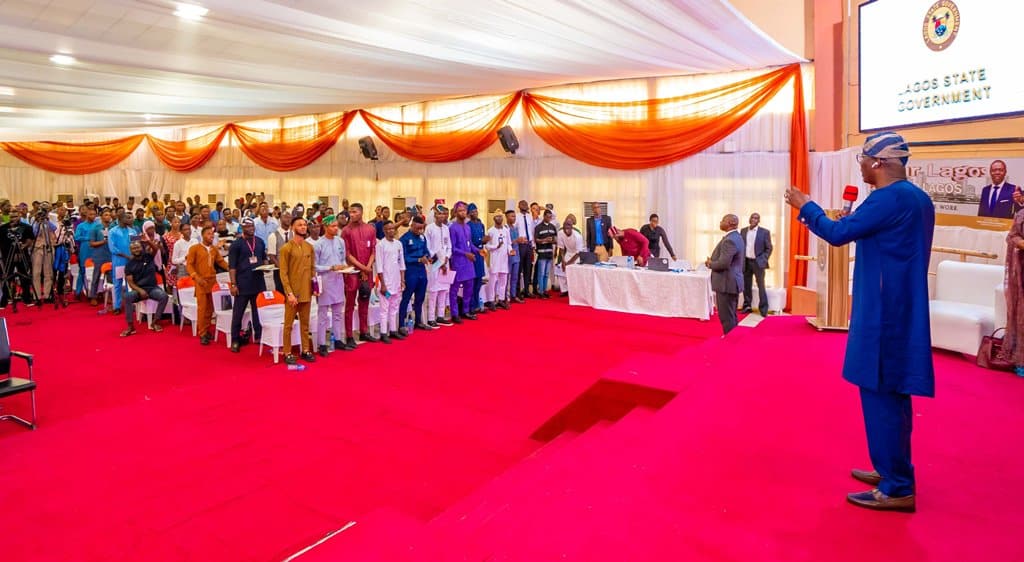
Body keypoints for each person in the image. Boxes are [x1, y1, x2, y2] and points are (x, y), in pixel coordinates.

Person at [785, 130, 934, 512]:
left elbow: (837, 234)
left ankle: (897, 486)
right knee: (894, 395)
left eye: (863, 161)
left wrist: (806, 205)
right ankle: (892, 470)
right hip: (900, 307)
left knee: (880, 393)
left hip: (883, 312)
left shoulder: (887, 198)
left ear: (878, 163)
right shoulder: (917, 198)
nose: (862, 168)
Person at [342, 203, 379, 347]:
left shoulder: (370, 229)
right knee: (350, 305)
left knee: (365, 301)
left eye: (354, 212)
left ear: (361, 212)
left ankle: (364, 331)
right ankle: (349, 335)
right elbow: (347, 254)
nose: (351, 215)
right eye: (350, 212)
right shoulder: (346, 231)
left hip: (367, 271)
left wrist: (367, 268)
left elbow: (373, 250)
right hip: (352, 272)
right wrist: (363, 268)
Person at [228, 218, 267, 353]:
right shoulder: (236, 245)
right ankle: (235, 339)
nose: (251, 228)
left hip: (258, 282)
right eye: (247, 226)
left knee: (258, 312)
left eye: (252, 226)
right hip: (242, 283)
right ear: (242, 228)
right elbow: (232, 267)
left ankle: (259, 336)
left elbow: (264, 258)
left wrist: (267, 266)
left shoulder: (260, 241)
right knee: (238, 313)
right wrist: (233, 284)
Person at [279, 218, 316, 364]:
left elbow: (312, 269)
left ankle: (305, 350)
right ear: (293, 227)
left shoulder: (309, 247)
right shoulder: (286, 248)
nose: (303, 227)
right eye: (300, 225)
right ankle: (287, 352)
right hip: (292, 294)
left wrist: (315, 287)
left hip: (307, 291)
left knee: (305, 324)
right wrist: (289, 293)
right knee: (288, 325)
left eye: (305, 225)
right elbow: (283, 274)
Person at [186, 226, 228, 345]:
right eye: (209, 233)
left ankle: (207, 329)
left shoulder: (213, 249)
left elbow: (220, 262)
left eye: (212, 234)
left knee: (210, 308)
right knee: (202, 308)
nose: (211, 236)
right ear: (203, 235)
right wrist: (196, 277)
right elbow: (189, 265)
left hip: (212, 281)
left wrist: (231, 268)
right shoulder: (195, 248)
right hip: (201, 282)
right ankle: (202, 333)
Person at [313, 215, 348, 355]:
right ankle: (322, 344)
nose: (336, 229)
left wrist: (345, 267)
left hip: (338, 280)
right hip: (325, 281)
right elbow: (314, 266)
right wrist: (330, 267)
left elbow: (343, 259)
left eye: (336, 226)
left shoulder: (340, 241)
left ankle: (338, 339)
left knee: (338, 312)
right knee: (322, 315)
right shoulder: (318, 244)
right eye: (333, 226)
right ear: (325, 227)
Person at [706, 214, 744, 335]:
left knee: (726, 316)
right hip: (732, 282)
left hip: (726, 283)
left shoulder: (730, 240)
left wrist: (710, 263)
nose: (720, 222)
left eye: (723, 220)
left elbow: (724, 263)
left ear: (730, 223)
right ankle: (734, 338)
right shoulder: (737, 237)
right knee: (731, 314)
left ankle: (730, 341)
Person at [122, 241, 169, 337]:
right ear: (130, 250)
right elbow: (130, 283)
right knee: (127, 297)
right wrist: (140, 291)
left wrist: (148, 241)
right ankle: (130, 327)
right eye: (133, 248)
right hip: (138, 290)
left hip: (152, 288)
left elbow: (156, 249)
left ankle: (155, 322)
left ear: (142, 248)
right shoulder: (129, 265)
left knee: (164, 296)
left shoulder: (148, 257)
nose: (136, 250)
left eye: (138, 247)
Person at [399, 216, 431, 333]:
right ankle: (401, 324)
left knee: (420, 297)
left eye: (421, 228)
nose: (420, 231)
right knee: (406, 298)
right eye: (417, 228)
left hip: (422, 271)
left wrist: (427, 257)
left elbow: (426, 251)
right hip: (410, 271)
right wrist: (418, 259)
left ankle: (418, 321)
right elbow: (403, 257)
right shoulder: (404, 239)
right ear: (412, 225)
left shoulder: (422, 237)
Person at [375, 222, 406, 343]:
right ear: (384, 231)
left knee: (394, 307)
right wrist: (382, 284)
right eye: (388, 229)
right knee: (384, 309)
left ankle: (393, 330)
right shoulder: (380, 245)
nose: (391, 231)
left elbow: (401, 263)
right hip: (385, 283)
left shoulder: (398, 244)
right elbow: (379, 267)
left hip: (396, 281)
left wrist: (402, 280)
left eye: (393, 228)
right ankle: (383, 333)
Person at [448, 202, 477, 321]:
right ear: (455, 213)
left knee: (469, 287)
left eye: (464, 210)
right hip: (458, 262)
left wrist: (478, 250)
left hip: (468, 262)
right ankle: (455, 313)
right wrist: (466, 254)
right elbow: (453, 248)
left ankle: (465, 311)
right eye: (460, 211)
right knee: (454, 289)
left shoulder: (468, 227)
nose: (463, 213)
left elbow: (470, 244)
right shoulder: (452, 228)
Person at [740, 213, 773, 316]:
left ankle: (763, 309)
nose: (754, 219)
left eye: (756, 218)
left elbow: (769, 248)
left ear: (759, 221)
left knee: (761, 285)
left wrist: (763, 259)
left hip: (758, 263)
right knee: (746, 285)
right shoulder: (743, 231)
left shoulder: (764, 232)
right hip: (746, 262)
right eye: (752, 217)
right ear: (749, 219)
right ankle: (747, 306)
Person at [425, 205, 454, 327]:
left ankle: (440, 316)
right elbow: (427, 246)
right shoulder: (429, 228)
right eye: (439, 214)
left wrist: (447, 257)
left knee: (444, 290)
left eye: (444, 214)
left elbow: (449, 246)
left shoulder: (446, 228)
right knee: (434, 291)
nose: (442, 216)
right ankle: (431, 318)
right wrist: (438, 259)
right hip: (435, 263)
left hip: (445, 263)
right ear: (435, 215)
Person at [0, 208, 34, 308]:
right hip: (8, 256)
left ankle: (27, 298)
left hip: (22, 255)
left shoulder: (27, 227)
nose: (13, 219)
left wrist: (24, 245)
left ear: (19, 216)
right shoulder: (3, 228)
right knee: (7, 277)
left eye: (15, 216)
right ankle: (4, 300)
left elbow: (30, 240)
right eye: (11, 217)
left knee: (24, 277)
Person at [108, 211, 137, 313]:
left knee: (131, 282)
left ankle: (132, 304)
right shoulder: (113, 231)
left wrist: (134, 255)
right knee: (118, 283)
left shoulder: (132, 231)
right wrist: (126, 256)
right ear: (120, 219)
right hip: (119, 261)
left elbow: (136, 244)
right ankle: (117, 306)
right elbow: (112, 248)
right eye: (127, 218)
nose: (130, 219)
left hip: (131, 261)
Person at [486, 210, 511, 310]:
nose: (499, 218)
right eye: (497, 217)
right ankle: (491, 300)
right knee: (493, 281)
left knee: (503, 280)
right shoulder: (490, 231)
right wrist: (496, 246)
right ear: (494, 218)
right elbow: (487, 246)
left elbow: (509, 243)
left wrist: (510, 251)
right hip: (495, 259)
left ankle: (501, 299)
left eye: (500, 216)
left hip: (504, 259)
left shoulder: (506, 230)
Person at [87, 209, 113, 306]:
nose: (108, 216)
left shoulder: (112, 228)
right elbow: (91, 243)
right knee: (96, 276)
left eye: (109, 215)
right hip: (99, 255)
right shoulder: (95, 228)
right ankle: (93, 296)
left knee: (110, 277)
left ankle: (109, 296)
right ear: (101, 216)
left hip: (110, 254)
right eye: (106, 215)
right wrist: (103, 242)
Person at [555, 214, 585, 297]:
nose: (566, 229)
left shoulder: (577, 236)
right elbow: (561, 248)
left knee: (574, 271)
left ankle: (575, 290)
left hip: (577, 255)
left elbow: (578, 253)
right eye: (565, 227)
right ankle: (565, 290)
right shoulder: (560, 233)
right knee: (561, 269)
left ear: (572, 227)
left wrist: (568, 263)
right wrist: (563, 261)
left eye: (568, 227)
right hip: (568, 252)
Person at [467, 203, 489, 313]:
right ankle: (471, 306)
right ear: (468, 214)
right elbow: (470, 242)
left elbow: (483, 238)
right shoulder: (468, 225)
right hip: (473, 254)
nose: (474, 213)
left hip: (480, 254)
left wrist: (485, 241)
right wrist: (481, 241)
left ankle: (477, 304)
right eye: (472, 212)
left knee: (479, 281)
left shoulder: (481, 224)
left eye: (475, 211)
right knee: (472, 281)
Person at [514, 200, 536, 298]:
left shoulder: (529, 216)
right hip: (521, 245)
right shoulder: (516, 216)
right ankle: (518, 291)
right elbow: (514, 230)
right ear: (518, 206)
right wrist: (518, 240)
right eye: (522, 204)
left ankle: (526, 290)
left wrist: (533, 244)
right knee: (519, 269)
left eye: (526, 204)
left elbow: (532, 231)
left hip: (529, 245)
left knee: (528, 268)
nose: (525, 205)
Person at [533, 209, 558, 299]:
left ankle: (544, 290)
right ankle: (540, 291)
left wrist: (553, 241)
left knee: (547, 273)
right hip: (541, 253)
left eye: (550, 217)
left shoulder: (552, 227)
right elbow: (536, 240)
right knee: (541, 273)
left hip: (549, 252)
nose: (549, 219)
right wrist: (544, 240)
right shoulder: (538, 227)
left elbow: (556, 239)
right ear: (544, 216)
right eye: (547, 217)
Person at [74, 207, 97, 299]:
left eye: (94, 214)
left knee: (95, 271)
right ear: (87, 215)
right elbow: (76, 237)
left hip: (96, 249)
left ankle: (93, 292)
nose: (93, 216)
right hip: (85, 249)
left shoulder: (98, 225)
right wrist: (87, 238)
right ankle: (78, 291)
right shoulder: (81, 225)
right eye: (91, 214)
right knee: (83, 271)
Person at [505, 209, 522, 304]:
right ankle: (505, 296)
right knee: (506, 277)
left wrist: (521, 241)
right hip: (508, 256)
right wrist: (516, 241)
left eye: (514, 216)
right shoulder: (505, 228)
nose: (514, 218)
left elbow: (516, 241)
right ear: (507, 217)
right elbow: (506, 243)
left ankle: (513, 295)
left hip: (516, 254)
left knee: (515, 277)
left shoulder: (515, 228)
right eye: (512, 216)